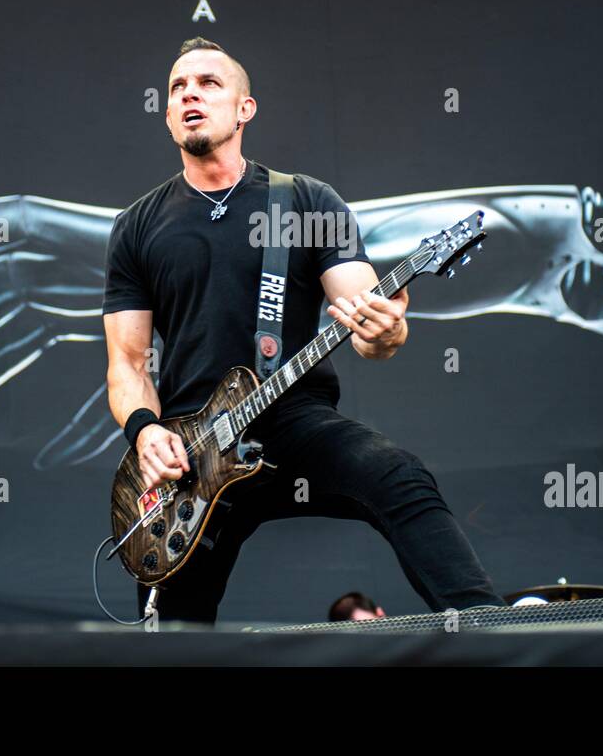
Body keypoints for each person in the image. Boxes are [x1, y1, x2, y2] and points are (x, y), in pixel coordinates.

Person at [102, 37, 506, 623]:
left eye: (209, 83)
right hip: (190, 453)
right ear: (167, 116)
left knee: (398, 475)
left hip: (291, 415)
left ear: (245, 109)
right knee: (173, 630)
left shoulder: (307, 201)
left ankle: (490, 631)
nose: (190, 93)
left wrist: (382, 329)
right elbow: (129, 363)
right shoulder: (137, 226)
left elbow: (368, 317)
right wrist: (144, 431)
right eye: (177, 88)